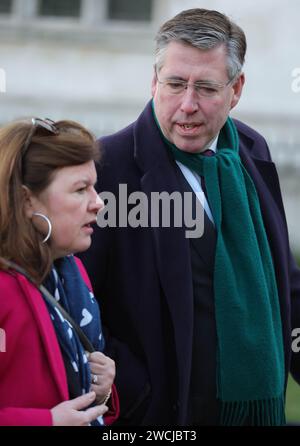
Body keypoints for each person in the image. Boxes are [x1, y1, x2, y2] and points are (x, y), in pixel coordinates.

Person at [79, 9, 300, 426]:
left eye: (206, 88)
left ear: (236, 90)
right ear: (154, 81)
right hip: (157, 419)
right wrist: (134, 390)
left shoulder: (253, 150)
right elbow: (78, 304)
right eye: (175, 84)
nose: (188, 105)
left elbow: (283, 280)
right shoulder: (107, 167)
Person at [0, 118, 119, 426]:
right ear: (27, 200)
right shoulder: (4, 290)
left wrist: (103, 392)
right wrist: (46, 422)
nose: (98, 203)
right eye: (81, 189)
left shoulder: (70, 271)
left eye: (94, 186)